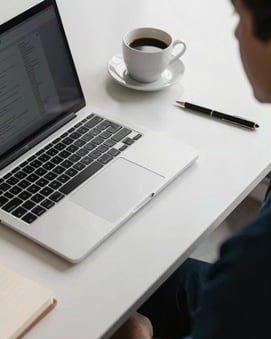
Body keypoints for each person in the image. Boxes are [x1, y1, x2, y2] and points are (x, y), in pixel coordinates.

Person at [112, 0, 271, 338]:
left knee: (116, 295)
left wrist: (138, 334)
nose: (236, 32)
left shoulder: (251, 261)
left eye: (239, 18)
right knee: (142, 276)